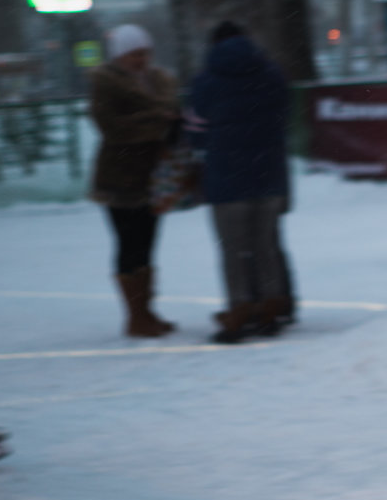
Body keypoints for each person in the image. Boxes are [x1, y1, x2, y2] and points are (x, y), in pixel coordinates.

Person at [189, 22, 295, 344]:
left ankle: (238, 313)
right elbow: (286, 116)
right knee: (265, 246)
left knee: (234, 251)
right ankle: (270, 310)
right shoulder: (271, 74)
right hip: (269, 176)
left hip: (227, 179)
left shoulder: (207, 80)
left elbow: (195, 132)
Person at [89, 24, 180, 338]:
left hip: (154, 176)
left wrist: (152, 120)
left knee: (147, 246)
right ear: (120, 56)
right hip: (119, 178)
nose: (142, 60)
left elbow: (172, 113)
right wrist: (156, 123)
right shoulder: (106, 83)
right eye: (135, 54)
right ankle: (135, 316)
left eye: (145, 53)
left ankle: (146, 313)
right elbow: (112, 128)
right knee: (130, 245)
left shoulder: (159, 81)